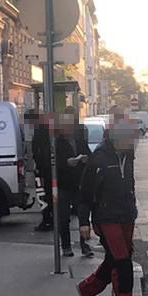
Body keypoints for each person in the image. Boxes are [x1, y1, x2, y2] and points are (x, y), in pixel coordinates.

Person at [77, 112, 143, 296]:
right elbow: (85, 193)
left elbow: (129, 183)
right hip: (106, 217)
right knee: (122, 261)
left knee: (114, 259)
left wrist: (132, 207)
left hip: (125, 214)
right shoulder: (100, 158)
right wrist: (84, 222)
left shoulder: (128, 155)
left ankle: (87, 289)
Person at [53, 110, 94, 258]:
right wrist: (66, 163)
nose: (69, 128)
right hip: (63, 184)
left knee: (83, 215)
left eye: (71, 125)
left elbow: (90, 154)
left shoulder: (80, 140)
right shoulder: (57, 142)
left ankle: (85, 245)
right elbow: (52, 163)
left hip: (80, 183)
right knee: (63, 217)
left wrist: (86, 159)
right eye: (66, 125)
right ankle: (66, 246)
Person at [30, 111, 54, 232]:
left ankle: (46, 220)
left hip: (42, 170)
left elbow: (38, 151)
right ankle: (51, 218)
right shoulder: (47, 130)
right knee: (49, 195)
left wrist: (38, 166)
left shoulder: (39, 132)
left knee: (42, 194)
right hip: (48, 170)